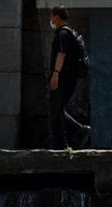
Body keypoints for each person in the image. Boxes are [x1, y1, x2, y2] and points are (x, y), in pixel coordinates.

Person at [49, 5, 91, 150]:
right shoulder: (69, 33)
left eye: (52, 16)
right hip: (68, 78)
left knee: (56, 110)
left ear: (57, 17)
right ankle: (63, 142)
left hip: (63, 78)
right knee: (57, 110)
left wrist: (55, 74)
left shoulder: (63, 33)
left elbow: (61, 54)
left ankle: (65, 141)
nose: (51, 19)